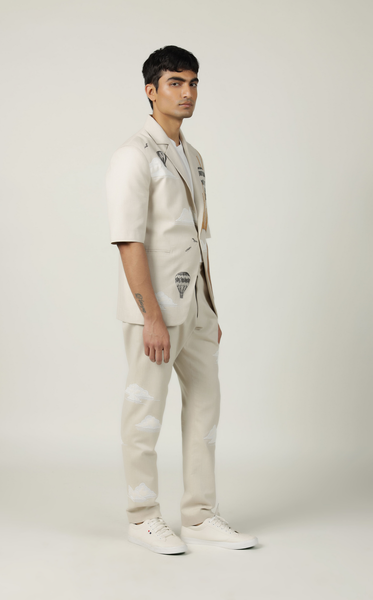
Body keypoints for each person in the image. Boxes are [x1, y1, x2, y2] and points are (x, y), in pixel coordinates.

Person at [105, 45, 258, 554]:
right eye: (176, 82)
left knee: (205, 410)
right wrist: (150, 315)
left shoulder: (193, 157)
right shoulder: (133, 155)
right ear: (151, 91)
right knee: (144, 413)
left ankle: (199, 514)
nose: (187, 92)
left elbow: (196, 237)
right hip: (154, 310)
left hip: (196, 309)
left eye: (193, 83)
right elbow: (129, 240)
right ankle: (142, 517)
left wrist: (209, 308)